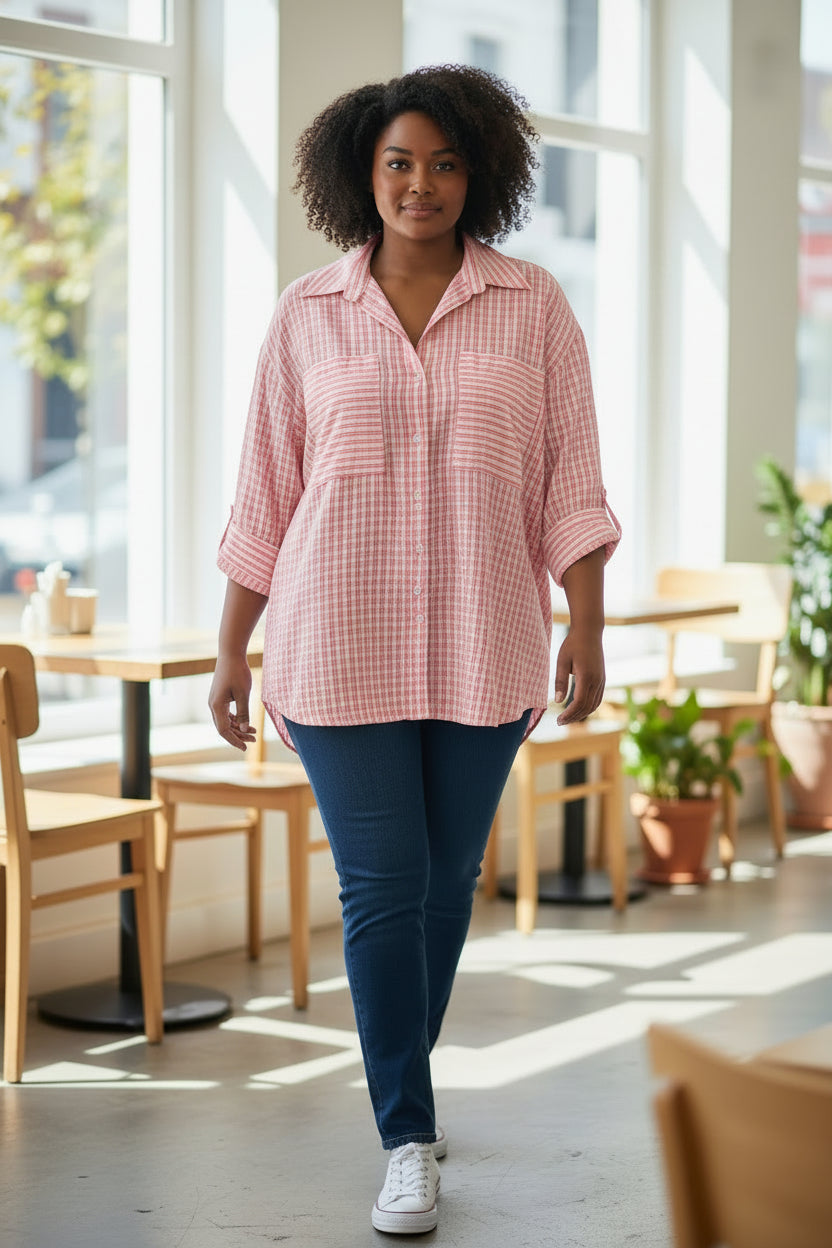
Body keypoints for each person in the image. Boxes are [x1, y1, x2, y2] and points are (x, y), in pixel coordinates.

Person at [208, 64, 620, 1237]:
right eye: (398, 162)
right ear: (364, 173)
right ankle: (406, 1133)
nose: (420, 183)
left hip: (486, 642)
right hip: (335, 642)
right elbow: (266, 494)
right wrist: (231, 650)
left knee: (445, 885)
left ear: (478, 173)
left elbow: (570, 484)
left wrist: (587, 623)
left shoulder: (533, 307)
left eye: (442, 163)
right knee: (382, 886)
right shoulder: (306, 314)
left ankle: (406, 1085)